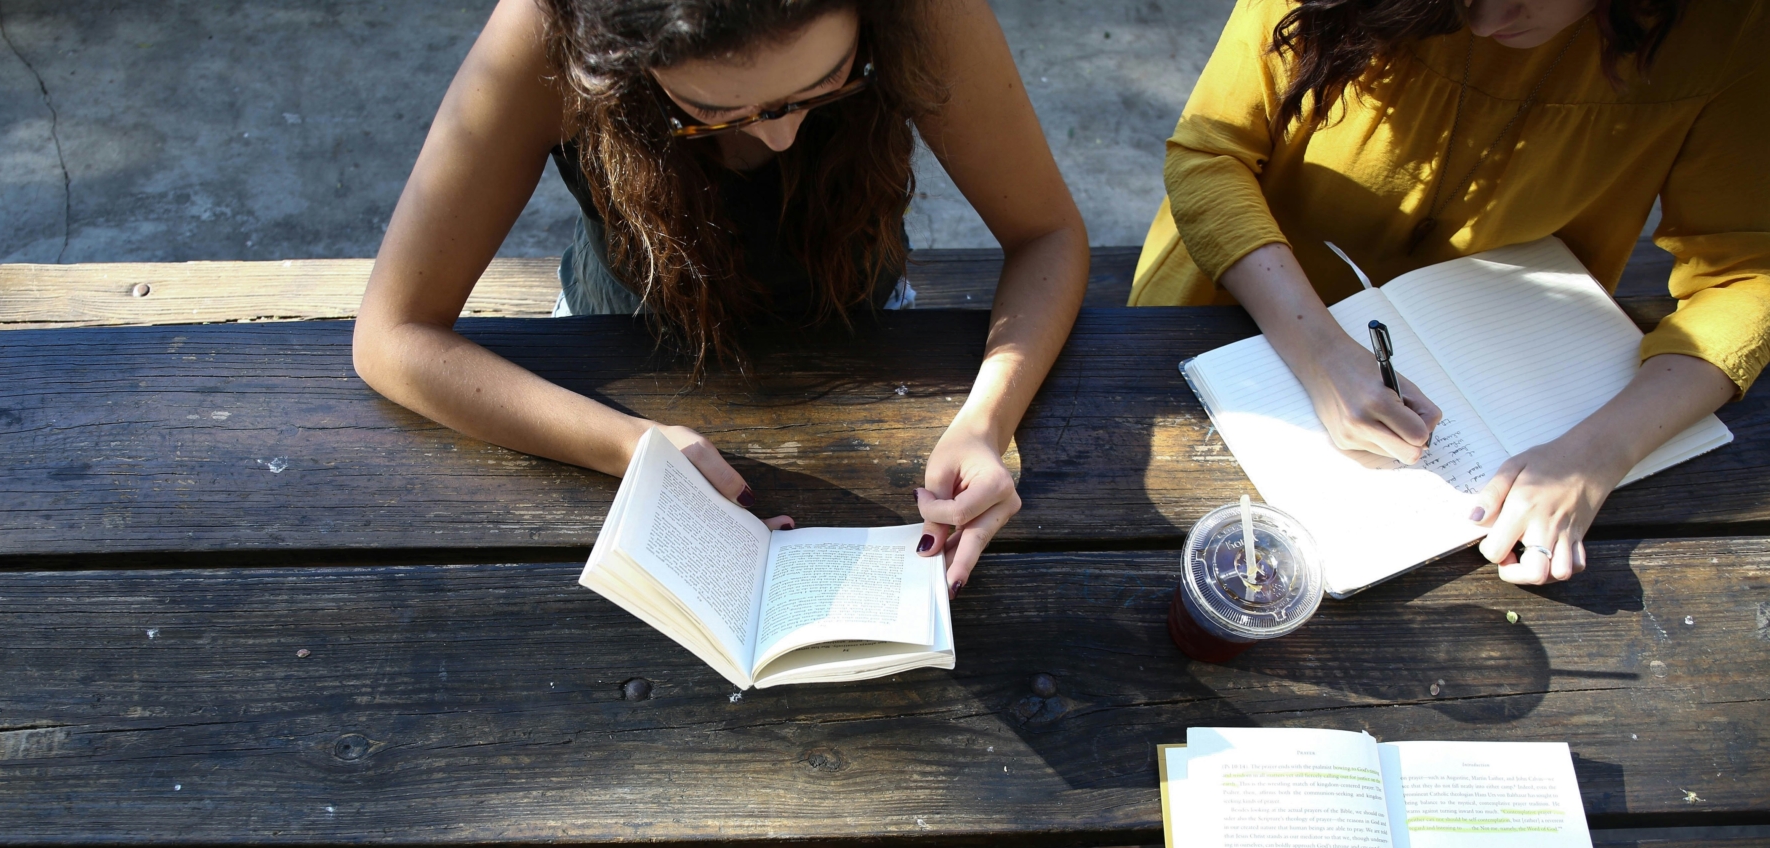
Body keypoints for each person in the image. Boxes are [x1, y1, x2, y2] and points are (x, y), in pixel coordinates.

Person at [353, 0, 1086, 596]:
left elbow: (1047, 234)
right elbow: (393, 335)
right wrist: (633, 446)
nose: (781, 135)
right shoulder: (549, 28)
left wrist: (986, 424)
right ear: (616, 55)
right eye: (717, 111)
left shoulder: (924, 13)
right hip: (612, 349)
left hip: (864, 328)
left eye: (830, 82)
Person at [1133, 0, 1767, 585]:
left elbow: (1748, 276)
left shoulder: (1731, 25)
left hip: (1519, 369)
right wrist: (1318, 350)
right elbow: (1209, 154)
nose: (1486, 19)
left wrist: (1597, 453)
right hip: (1231, 304)